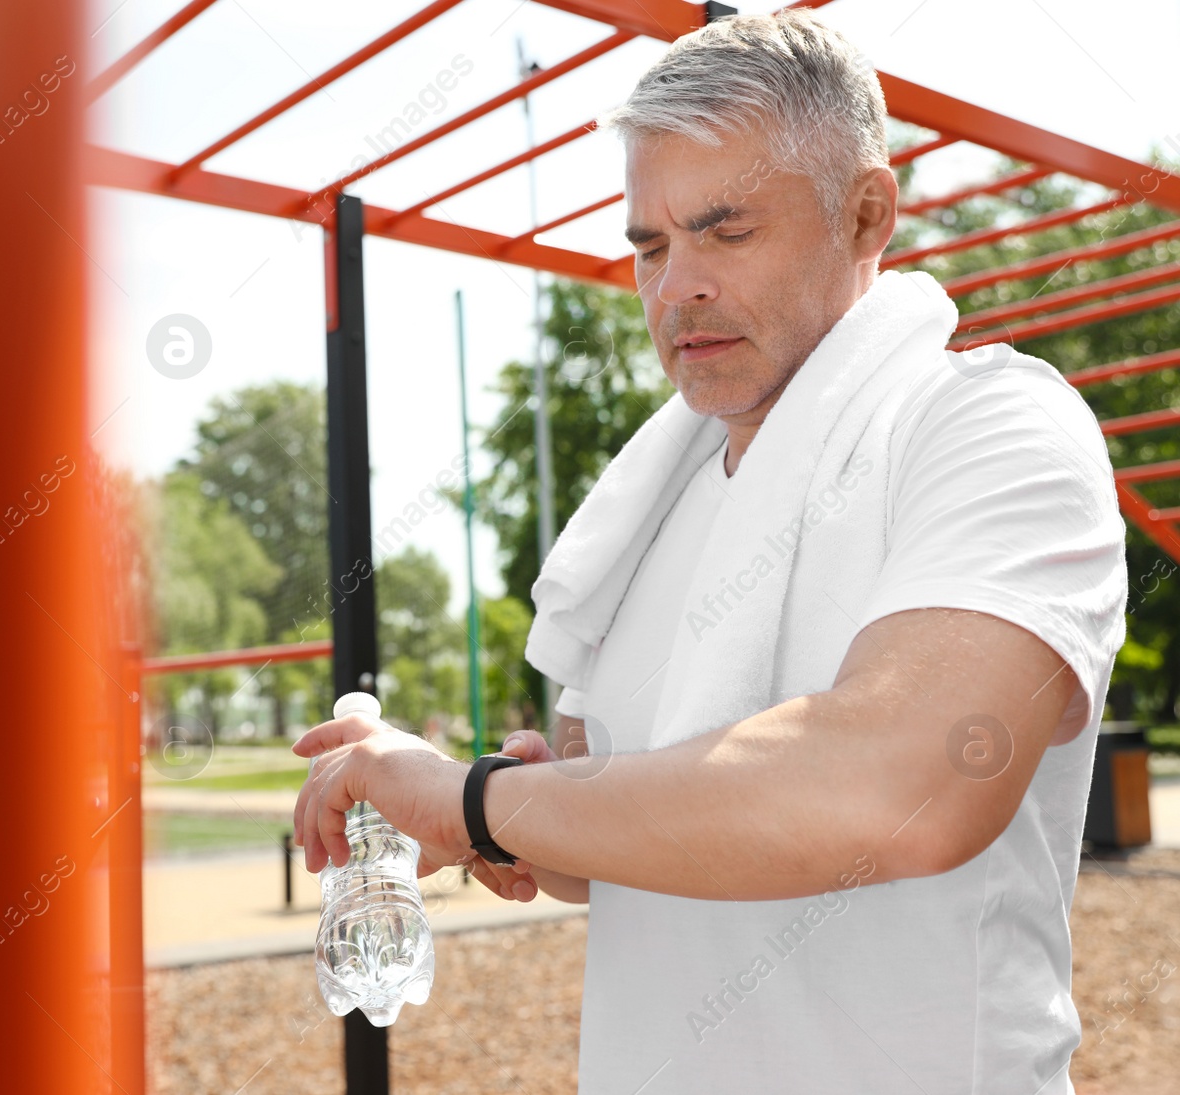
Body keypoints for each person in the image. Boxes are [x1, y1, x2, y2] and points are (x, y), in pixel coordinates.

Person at [292, 10, 1126, 1093]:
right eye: (649, 243)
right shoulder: (649, 509)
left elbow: (903, 785)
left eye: (726, 232)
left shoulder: (987, 426)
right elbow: (613, 841)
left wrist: (472, 798)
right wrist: (452, 799)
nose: (674, 285)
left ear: (865, 213)